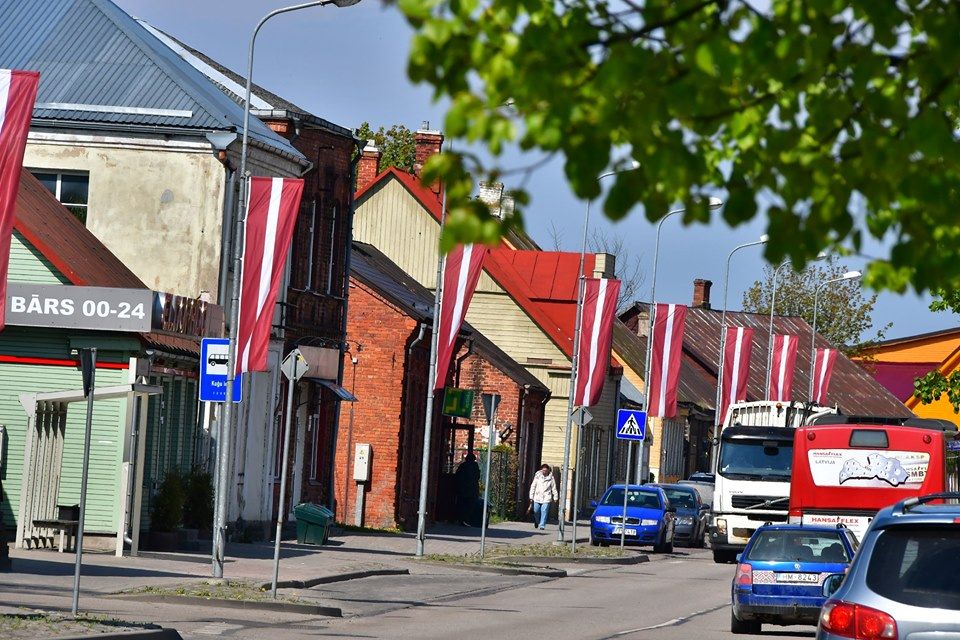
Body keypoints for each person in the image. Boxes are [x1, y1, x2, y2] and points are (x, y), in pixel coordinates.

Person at [528, 464, 559, 530]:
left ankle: (542, 525)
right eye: (543, 470)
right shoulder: (537, 477)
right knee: (536, 511)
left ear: (548, 471)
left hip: (546, 497)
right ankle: (536, 521)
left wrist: (555, 497)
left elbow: (554, 488)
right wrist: (531, 496)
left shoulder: (551, 478)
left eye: (545, 470)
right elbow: (533, 486)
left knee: (544, 511)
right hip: (537, 496)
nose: (544, 471)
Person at [454, 452, 481, 526]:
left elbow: (457, 476)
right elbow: (478, 476)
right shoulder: (475, 466)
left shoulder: (463, 466)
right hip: (472, 490)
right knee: (470, 506)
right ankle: (466, 520)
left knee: (462, 505)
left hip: (462, 490)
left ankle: (461, 519)